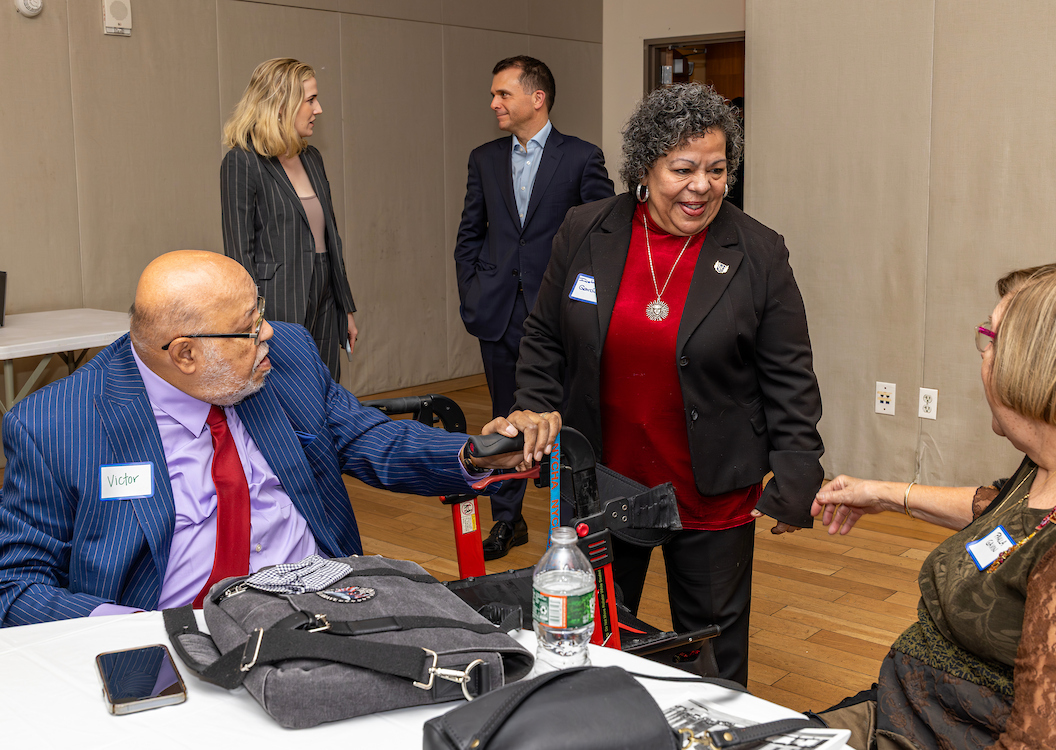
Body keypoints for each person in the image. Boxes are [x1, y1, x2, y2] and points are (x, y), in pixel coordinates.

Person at [0, 251, 549, 627]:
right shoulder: (57, 424)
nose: (266, 332)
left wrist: (478, 453)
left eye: (259, 312)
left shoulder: (286, 356)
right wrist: (132, 633)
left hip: (325, 611)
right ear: (185, 353)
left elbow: (368, 437)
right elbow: (16, 584)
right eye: (247, 328)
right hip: (180, 634)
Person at [508, 83, 825, 685]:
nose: (701, 186)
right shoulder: (586, 230)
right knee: (595, 641)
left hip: (709, 488)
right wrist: (534, 406)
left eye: (716, 169)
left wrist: (797, 471)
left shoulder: (758, 251)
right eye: (683, 169)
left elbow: (789, 373)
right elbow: (545, 334)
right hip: (605, 482)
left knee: (714, 658)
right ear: (644, 169)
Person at [811, 264, 1056, 749]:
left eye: (992, 338)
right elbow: (1019, 522)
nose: (983, 352)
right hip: (920, 708)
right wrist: (883, 494)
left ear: (1035, 367)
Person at [454, 55, 614, 561]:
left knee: (569, 418)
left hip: (561, 318)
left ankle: (573, 525)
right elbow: (469, 234)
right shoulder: (484, 159)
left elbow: (604, 239)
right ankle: (507, 520)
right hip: (498, 312)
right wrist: (472, 291)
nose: (494, 103)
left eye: (503, 93)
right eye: (494, 94)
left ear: (536, 98)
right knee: (505, 417)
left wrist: (586, 306)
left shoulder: (581, 158)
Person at [221, 58, 357, 382]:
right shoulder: (242, 161)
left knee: (326, 386)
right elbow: (239, 254)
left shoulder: (312, 157)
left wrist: (346, 308)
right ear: (281, 105)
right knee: (290, 391)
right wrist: (252, 319)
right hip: (277, 303)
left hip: (326, 295)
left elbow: (331, 238)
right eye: (311, 100)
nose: (318, 109)